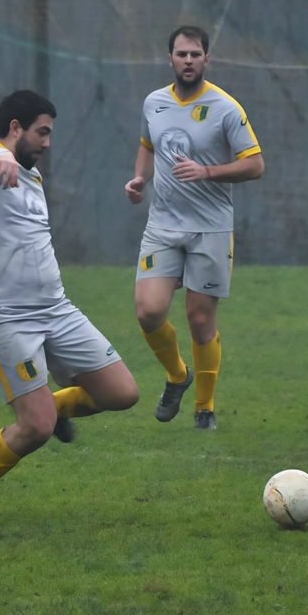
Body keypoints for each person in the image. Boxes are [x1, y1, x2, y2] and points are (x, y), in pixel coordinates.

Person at [0, 90, 139, 514]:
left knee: (123, 393)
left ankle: (50, 406)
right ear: (15, 129)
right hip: (4, 317)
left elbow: (17, 235)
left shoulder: (30, 177)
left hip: (56, 310)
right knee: (35, 427)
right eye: (42, 132)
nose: (47, 143)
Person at [125, 25, 265, 431]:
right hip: (162, 226)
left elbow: (255, 164)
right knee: (148, 312)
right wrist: (139, 180)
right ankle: (177, 376)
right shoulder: (154, 102)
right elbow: (148, 144)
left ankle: (204, 408)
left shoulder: (225, 107)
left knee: (200, 321)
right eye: (181, 54)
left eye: (195, 54)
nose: (188, 60)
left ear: (207, 59)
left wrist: (208, 170)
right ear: (169, 59)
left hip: (210, 229)